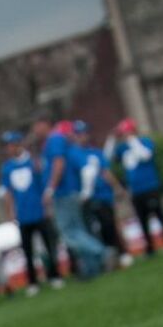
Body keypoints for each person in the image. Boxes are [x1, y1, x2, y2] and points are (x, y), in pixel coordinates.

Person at [37, 115, 105, 280]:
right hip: (71, 192)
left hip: (63, 193)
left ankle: (101, 252)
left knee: (68, 233)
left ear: (45, 124)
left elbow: (59, 163)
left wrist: (50, 189)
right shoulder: (69, 146)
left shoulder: (55, 140)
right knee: (78, 230)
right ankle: (91, 268)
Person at [0, 131, 59, 295]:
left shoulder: (34, 162)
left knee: (48, 245)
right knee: (27, 250)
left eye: (10, 145)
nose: (9, 149)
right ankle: (33, 281)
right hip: (23, 215)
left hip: (38, 211)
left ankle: (54, 275)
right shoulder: (7, 168)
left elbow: (43, 186)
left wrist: (47, 207)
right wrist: (10, 211)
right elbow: (8, 192)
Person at [110, 119, 163, 254]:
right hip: (135, 190)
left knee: (159, 215)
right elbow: (108, 157)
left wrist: (132, 140)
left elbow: (146, 155)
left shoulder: (144, 142)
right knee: (142, 220)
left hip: (150, 187)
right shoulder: (123, 149)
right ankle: (150, 247)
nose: (125, 135)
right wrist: (112, 139)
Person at [75, 120, 128, 270]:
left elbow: (106, 172)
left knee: (109, 226)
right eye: (79, 134)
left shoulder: (96, 153)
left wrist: (117, 187)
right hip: (85, 200)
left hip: (103, 196)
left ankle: (120, 254)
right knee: (92, 230)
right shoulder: (74, 155)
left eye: (84, 133)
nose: (82, 137)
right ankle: (104, 260)